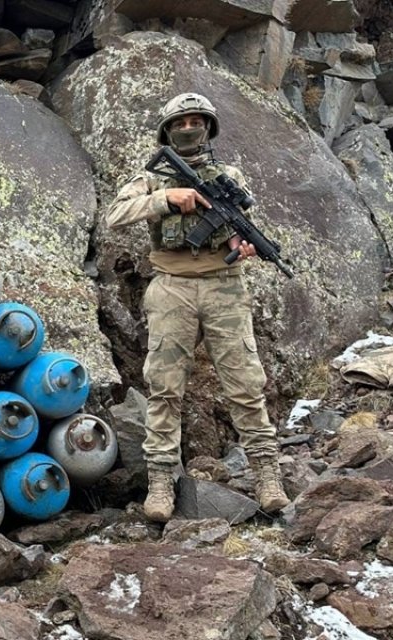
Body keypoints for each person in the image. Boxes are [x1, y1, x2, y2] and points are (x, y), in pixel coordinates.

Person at [105, 92, 290, 523]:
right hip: (171, 286)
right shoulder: (152, 178)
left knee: (245, 384)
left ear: (209, 127)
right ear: (168, 131)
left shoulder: (229, 176)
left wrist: (238, 245)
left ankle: (267, 475)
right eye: (181, 121)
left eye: (197, 120)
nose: (189, 128)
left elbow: (235, 223)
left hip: (225, 286)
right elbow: (116, 214)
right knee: (165, 387)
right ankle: (160, 484)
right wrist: (168, 199)